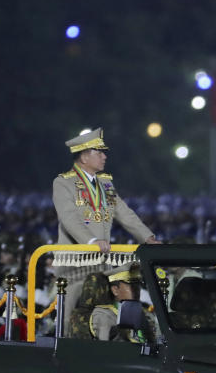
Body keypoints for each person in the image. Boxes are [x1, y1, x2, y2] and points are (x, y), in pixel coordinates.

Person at [52, 128, 159, 332]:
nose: (104, 156)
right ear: (84, 156)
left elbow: (124, 213)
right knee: (67, 319)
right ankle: (62, 353)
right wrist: (91, 241)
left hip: (101, 262)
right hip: (75, 264)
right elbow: (68, 218)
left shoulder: (105, 183)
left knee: (115, 299)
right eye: (99, 152)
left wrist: (148, 237)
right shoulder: (63, 183)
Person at [90, 264, 154, 343]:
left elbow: (151, 340)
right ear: (115, 290)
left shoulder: (140, 311)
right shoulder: (103, 314)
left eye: (137, 285)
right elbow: (107, 347)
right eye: (131, 285)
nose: (137, 289)